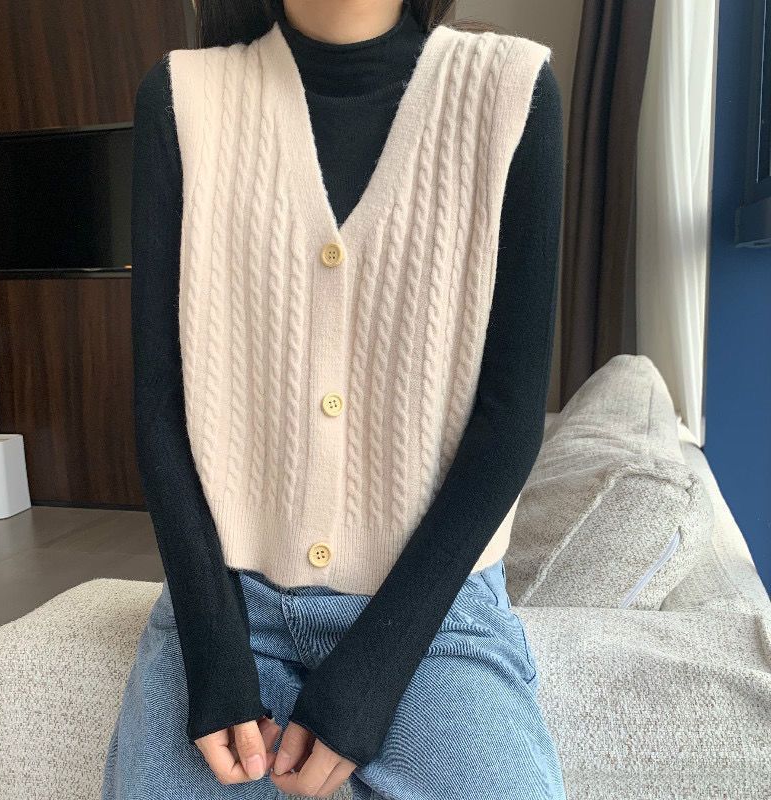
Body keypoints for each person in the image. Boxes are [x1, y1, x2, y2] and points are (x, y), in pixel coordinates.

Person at [102, 1, 567, 798]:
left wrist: (376, 669)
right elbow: (158, 406)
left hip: (434, 612)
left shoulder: (510, 91)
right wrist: (211, 651)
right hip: (226, 602)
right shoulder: (182, 98)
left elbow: (509, 422)